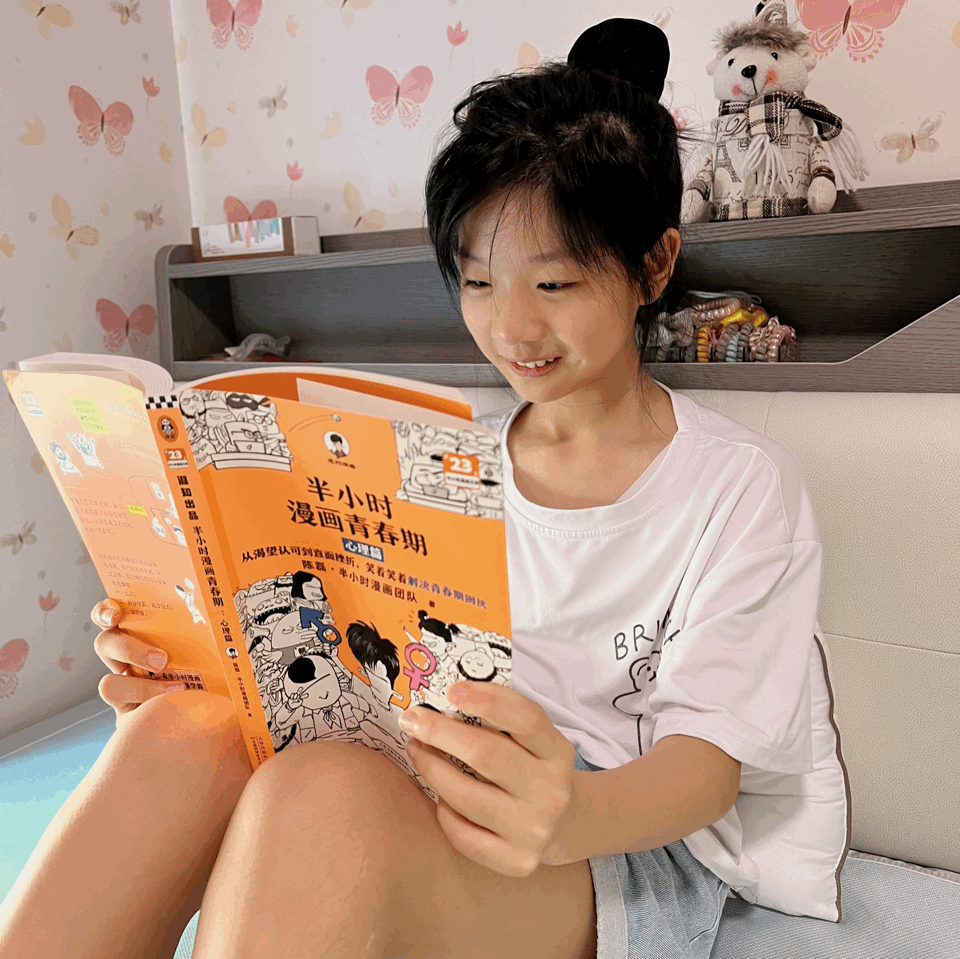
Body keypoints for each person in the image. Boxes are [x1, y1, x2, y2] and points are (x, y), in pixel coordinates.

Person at [0, 18, 830, 959]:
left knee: (317, 796)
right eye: (477, 283)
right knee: (182, 729)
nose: (511, 328)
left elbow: (709, 767)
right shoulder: (443, 464)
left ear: (655, 264)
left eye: (554, 284)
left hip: (608, 834)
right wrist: (189, 659)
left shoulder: (735, 482)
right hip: (418, 758)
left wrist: (571, 812)